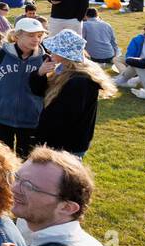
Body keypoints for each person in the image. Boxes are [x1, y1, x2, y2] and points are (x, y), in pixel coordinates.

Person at [28, 30, 117, 158]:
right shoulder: (64, 70)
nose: (50, 52)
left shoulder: (79, 81)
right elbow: (39, 91)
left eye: (54, 49)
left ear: (65, 54)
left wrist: (41, 138)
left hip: (66, 146)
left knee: (63, 177)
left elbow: (64, 117)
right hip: (60, 143)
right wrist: (40, 74)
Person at [0, 18, 47, 158]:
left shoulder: (45, 60)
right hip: (1, 117)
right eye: (31, 35)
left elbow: (49, 92)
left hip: (32, 120)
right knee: (1, 161)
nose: (36, 40)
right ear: (17, 36)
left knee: (27, 162)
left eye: (39, 36)